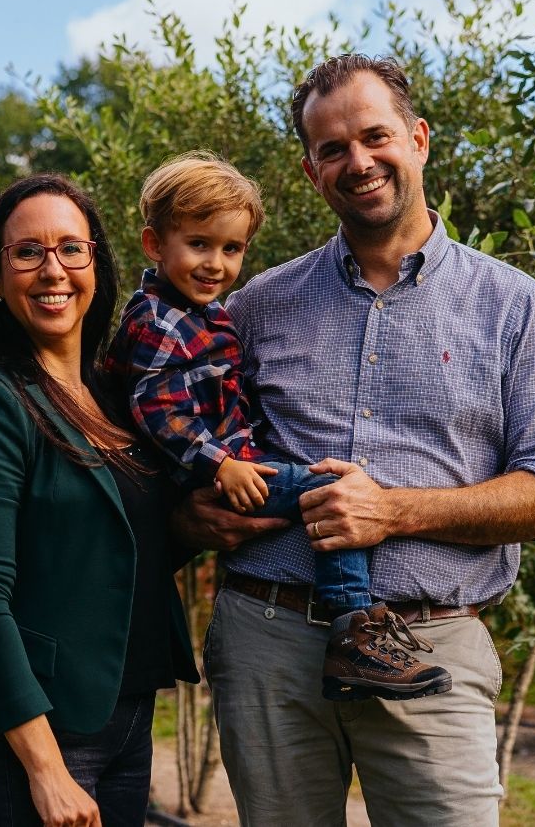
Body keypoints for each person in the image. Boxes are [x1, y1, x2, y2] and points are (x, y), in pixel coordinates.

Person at [176, 54, 535, 826]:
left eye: (375, 136)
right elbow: (185, 453)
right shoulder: (255, 307)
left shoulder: (513, 307)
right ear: (310, 170)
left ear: (419, 139)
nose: (357, 161)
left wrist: (394, 512)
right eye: (333, 149)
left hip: (429, 644)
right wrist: (194, 519)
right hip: (268, 640)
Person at [104, 150, 450, 703]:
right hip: (210, 477)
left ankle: (355, 621)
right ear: (154, 244)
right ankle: (354, 629)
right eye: (199, 244)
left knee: (324, 488)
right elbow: (156, 411)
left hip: (229, 466)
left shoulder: (210, 313)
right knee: (332, 494)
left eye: (231, 248)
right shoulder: (157, 320)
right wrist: (223, 463)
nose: (215, 263)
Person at [0, 173, 199, 827]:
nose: (54, 270)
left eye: (72, 249)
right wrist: (45, 769)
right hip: (44, 734)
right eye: (28, 252)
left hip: (126, 718)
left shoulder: (115, 396)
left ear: (96, 263)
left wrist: (200, 526)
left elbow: (107, 551)